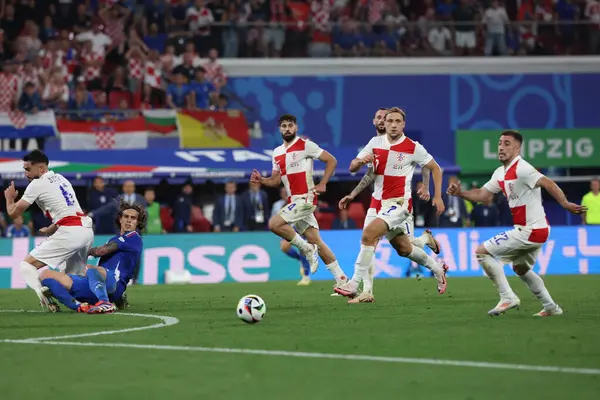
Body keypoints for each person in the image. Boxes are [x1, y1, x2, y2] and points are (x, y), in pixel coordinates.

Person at [447, 130, 586, 316]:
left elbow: (548, 183)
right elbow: (482, 194)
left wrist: (565, 203)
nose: (501, 147)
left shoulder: (523, 168)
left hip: (530, 230)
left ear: (517, 148)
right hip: (537, 230)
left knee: (481, 252)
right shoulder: (500, 173)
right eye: (499, 143)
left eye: (507, 143)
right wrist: (460, 194)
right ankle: (551, 307)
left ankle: (507, 297)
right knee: (520, 268)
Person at [335, 107, 448, 303]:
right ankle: (437, 268)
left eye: (397, 121)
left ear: (403, 124)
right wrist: (360, 162)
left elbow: (435, 168)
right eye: (390, 121)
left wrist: (436, 195)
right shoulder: (375, 143)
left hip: (399, 204)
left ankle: (355, 284)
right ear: (384, 124)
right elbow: (353, 167)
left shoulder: (413, 147)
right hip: (377, 204)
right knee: (404, 248)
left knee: (369, 235)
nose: (393, 125)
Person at [250, 114, 348, 287]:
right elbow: (275, 180)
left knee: (274, 224)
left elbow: (331, 160)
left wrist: (323, 183)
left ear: (296, 128)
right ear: (279, 129)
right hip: (293, 201)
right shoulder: (277, 152)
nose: (287, 129)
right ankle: (342, 280)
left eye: (290, 125)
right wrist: (262, 181)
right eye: (284, 126)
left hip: (306, 198)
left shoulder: (305, 145)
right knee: (317, 241)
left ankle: (307, 249)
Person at [4, 150, 94, 310]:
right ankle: (102, 299)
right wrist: (52, 228)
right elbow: (69, 210)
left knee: (27, 265)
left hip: (70, 232)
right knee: (72, 279)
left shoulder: (37, 184)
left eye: (28, 169)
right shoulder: (61, 179)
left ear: (40, 169)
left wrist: (9, 198)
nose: (25, 173)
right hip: (86, 230)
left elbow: (13, 213)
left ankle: (44, 296)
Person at [38, 201, 146, 314]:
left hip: (114, 284)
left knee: (90, 268)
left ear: (138, 223)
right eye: (126, 216)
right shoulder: (114, 239)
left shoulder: (134, 238)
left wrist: (83, 250)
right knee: (45, 275)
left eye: (133, 218)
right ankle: (79, 307)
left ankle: (105, 302)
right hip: (96, 286)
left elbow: (102, 251)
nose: (129, 220)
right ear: (120, 219)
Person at [272, 186, 311, 285]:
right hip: (287, 227)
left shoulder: (299, 199)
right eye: (283, 192)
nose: (285, 194)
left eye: (287, 192)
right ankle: (300, 260)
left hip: (299, 224)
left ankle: (306, 277)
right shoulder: (278, 204)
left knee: (303, 249)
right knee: (284, 247)